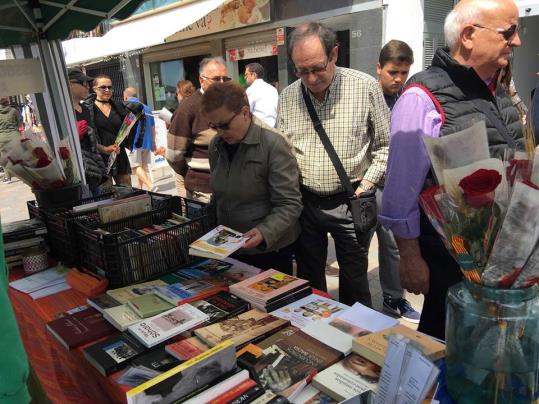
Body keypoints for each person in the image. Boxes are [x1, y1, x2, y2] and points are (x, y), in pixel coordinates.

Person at [379, 0, 524, 340]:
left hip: (502, 258)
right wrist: (410, 258)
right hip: (453, 263)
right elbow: (401, 191)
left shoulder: (497, 89)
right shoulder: (421, 97)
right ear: (469, 35)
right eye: (509, 32)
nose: (516, 41)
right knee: (449, 349)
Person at [278, 22, 389, 306]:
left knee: (354, 280)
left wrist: (366, 185)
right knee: (308, 277)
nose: (312, 78)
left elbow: (386, 146)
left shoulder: (364, 87)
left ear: (334, 55)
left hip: (350, 199)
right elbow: (283, 150)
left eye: (318, 68)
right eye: (302, 71)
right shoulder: (289, 96)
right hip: (305, 202)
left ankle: (357, 340)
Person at [202, 81, 302, 275]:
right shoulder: (216, 145)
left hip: (270, 251)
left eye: (224, 125)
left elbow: (290, 204)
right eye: (214, 127)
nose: (221, 133)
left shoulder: (273, 144)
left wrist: (264, 232)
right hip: (230, 247)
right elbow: (219, 194)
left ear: (245, 113)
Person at [375, 41, 421, 322]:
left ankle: (394, 299)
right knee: (356, 249)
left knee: (393, 246)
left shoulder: (410, 98)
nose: (399, 78)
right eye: (393, 72)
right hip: (364, 186)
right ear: (379, 67)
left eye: (404, 72)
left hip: (395, 187)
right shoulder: (366, 95)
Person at [166, 57, 230, 203]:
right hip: (203, 191)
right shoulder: (188, 109)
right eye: (216, 79)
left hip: (231, 187)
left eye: (224, 79)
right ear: (202, 80)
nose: (221, 84)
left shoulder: (230, 103)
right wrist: (192, 173)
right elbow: (173, 155)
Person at [67, 68, 107, 196]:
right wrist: (74, 136)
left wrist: (105, 149)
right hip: (76, 169)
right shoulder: (63, 110)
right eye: (83, 84)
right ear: (70, 84)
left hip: (92, 166)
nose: (87, 87)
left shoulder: (85, 108)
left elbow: (91, 139)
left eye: (88, 84)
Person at [90, 75, 132, 187]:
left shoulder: (118, 107)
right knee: (106, 194)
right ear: (94, 89)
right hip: (100, 157)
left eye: (110, 87)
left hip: (119, 153)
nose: (107, 90)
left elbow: (128, 125)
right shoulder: (89, 109)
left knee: (127, 191)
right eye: (103, 87)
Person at [123, 87, 157, 191]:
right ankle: (140, 188)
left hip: (135, 142)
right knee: (142, 166)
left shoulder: (127, 106)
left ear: (125, 96)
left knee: (135, 167)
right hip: (147, 142)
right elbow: (152, 127)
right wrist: (153, 142)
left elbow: (125, 126)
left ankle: (150, 185)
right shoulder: (147, 107)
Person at [172, 79, 196, 197]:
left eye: (177, 93)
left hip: (186, 159)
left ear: (180, 93)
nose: (177, 96)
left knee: (181, 185)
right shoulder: (200, 104)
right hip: (199, 159)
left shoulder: (182, 110)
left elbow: (174, 150)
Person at [244, 62, 279, 127]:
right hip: (273, 129)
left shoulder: (251, 90)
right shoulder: (273, 89)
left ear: (253, 75)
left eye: (246, 75)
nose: (244, 77)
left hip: (259, 129)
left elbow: (246, 112)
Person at [0, 97, 21, 184]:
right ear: (8, 103)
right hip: (14, 136)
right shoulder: (14, 111)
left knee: (5, 158)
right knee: (20, 156)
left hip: (2, 138)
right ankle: (24, 174)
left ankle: (7, 178)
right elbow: (19, 123)